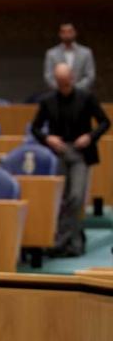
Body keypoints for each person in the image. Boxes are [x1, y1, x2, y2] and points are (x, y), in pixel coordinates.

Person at [32, 63, 110, 257]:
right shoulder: (47, 101)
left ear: (72, 79)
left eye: (66, 83)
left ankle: (64, 242)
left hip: (80, 154)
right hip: (58, 153)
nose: (63, 87)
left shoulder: (86, 97)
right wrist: (47, 138)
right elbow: (35, 128)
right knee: (62, 200)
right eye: (60, 83)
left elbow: (105, 122)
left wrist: (90, 137)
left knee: (75, 197)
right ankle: (73, 241)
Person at [44, 23, 95, 91]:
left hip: (81, 95)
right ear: (60, 34)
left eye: (70, 32)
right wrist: (62, 90)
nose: (67, 35)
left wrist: (74, 90)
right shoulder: (51, 54)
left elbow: (90, 76)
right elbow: (48, 76)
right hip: (58, 95)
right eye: (64, 32)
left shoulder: (86, 53)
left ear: (75, 33)